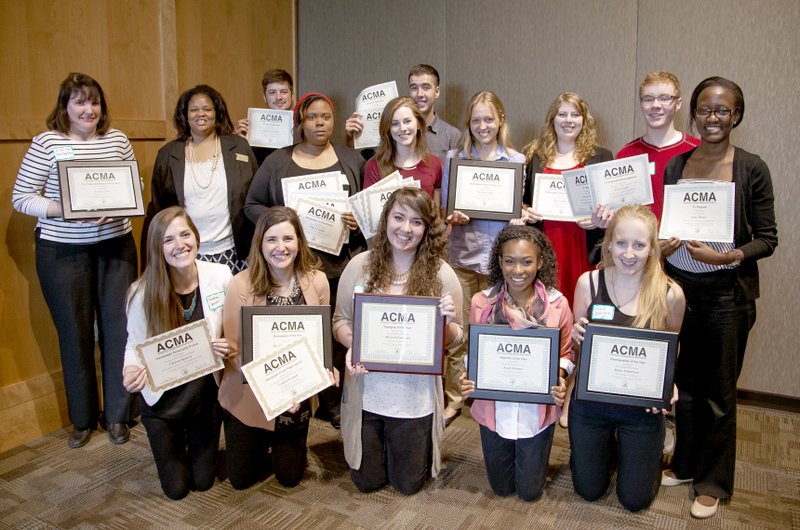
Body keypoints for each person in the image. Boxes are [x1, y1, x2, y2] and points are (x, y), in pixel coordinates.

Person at [659, 77, 777, 519]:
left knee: (719, 392)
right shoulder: (678, 165)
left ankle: (713, 481)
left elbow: (768, 238)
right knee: (684, 387)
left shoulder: (751, 167)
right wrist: (665, 245)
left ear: (737, 116)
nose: (713, 117)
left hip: (728, 295)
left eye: (723, 110)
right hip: (680, 292)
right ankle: (686, 464)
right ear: (693, 114)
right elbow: (671, 219)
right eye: (705, 109)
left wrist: (729, 256)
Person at [12, 72, 138, 448]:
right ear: (64, 107)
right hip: (62, 253)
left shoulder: (117, 140)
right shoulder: (47, 143)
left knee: (119, 331)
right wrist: (62, 208)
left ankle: (119, 415)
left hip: (115, 248)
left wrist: (119, 207)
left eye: (95, 102)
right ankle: (82, 419)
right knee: (75, 333)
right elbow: (22, 197)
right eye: (80, 102)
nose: (89, 110)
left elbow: (135, 187)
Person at [245, 91, 365, 428]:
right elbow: (252, 205)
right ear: (301, 122)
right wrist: (283, 222)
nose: (320, 123)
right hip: (295, 268)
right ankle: (317, 398)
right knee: (308, 334)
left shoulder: (350, 159)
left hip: (341, 264)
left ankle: (341, 400)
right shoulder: (278, 161)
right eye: (312, 117)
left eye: (326, 116)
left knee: (341, 332)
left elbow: (366, 214)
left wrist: (357, 221)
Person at [333, 187, 463, 495]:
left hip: (413, 399)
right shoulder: (359, 266)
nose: (405, 229)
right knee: (368, 482)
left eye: (416, 222)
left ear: (426, 229)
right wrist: (355, 344)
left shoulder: (441, 274)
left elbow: (456, 337)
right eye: (399, 218)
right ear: (385, 220)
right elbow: (340, 321)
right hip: (368, 394)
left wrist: (445, 323)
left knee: (407, 485)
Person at [570, 205, 686, 512]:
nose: (629, 253)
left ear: (652, 248)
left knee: (634, 500)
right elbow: (578, 348)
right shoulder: (588, 283)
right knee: (588, 490)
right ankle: (605, 450)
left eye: (639, 244)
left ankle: (644, 450)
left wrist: (666, 382)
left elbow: (672, 346)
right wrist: (575, 337)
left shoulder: (670, 293)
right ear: (608, 243)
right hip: (592, 404)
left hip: (642, 408)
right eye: (621, 243)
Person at [218, 207, 334, 489]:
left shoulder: (317, 282)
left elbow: (320, 343)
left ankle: (278, 443)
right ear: (260, 243)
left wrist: (321, 375)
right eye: (271, 240)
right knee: (241, 480)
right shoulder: (240, 285)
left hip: (297, 398)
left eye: (288, 239)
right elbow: (234, 351)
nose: (280, 248)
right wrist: (276, 392)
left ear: (299, 242)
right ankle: (254, 438)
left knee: (290, 478)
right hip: (248, 397)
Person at [122, 207, 233, 500]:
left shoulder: (220, 275)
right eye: (168, 240)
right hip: (164, 404)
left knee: (204, 481)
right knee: (176, 490)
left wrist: (229, 345)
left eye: (185, 234)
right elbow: (134, 345)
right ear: (156, 247)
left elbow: (235, 329)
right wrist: (129, 372)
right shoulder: (141, 292)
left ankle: (194, 444)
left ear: (196, 237)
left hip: (204, 397)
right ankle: (172, 443)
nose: (179, 245)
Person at [459, 225, 572, 501]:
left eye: (526, 261)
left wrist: (556, 376)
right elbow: (474, 350)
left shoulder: (558, 305)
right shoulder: (481, 303)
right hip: (494, 408)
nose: (517, 270)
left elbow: (567, 353)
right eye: (509, 261)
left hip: (537, 411)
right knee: (501, 488)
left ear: (540, 262)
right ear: (499, 262)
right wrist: (469, 377)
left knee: (530, 492)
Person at [441, 91, 526, 427]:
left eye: (489, 119)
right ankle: (455, 397)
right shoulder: (454, 158)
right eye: (476, 120)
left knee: (494, 333)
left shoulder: (516, 161)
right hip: (461, 257)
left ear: (500, 120)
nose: (482, 126)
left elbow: (514, 212)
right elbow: (447, 208)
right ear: (469, 124)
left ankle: (491, 393)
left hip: (498, 263)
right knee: (457, 334)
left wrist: (516, 217)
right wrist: (453, 215)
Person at [145, 85, 258, 273]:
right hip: (187, 254)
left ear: (217, 113)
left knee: (235, 302)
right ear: (185, 115)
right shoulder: (168, 154)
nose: (201, 114)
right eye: (194, 109)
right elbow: (160, 207)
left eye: (207, 109)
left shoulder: (238, 146)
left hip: (236, 252)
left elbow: (255, 194)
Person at [523, 93, 614, 308]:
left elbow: (613, 207)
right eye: (562, 114)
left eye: (575, 114)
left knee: (584, 303)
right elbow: (523, 201)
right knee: (548, 306)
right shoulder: (535, 156)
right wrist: (526, 210)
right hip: (547, 240)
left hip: (584, 242)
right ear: (552, 119)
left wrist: (600, 219)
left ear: (584, 120)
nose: (568, 120)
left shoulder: (601, 156)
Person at [617, 71, 700, 221]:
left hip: (684, 243)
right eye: (648, 99)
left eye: (664, 98)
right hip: (641, 243)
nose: (655, 105)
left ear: (678, 104)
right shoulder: (626, 154)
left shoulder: (698, 150)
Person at [345, 64, 461, 161]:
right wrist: (351, 140)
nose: (420, 94)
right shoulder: (392, 130)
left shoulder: (453, 136)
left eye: (426, 87)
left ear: (436, 92)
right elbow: (365, 164)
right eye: (414, 88)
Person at [363, 96, 443, 203]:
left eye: (407, 121)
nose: (403, 128)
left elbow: (437, 214)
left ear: (418, 123)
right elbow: (370, 216)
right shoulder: (374, 166)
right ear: (388, 129)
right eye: (395, 124)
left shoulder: (435, 164)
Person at [235, 68, 295, 165]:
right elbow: (241, 164)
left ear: (292, 96)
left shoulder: (303, 127)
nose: (278, 97)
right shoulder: (250, 129)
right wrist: (238, 141)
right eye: (272, 92)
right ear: (264, 97)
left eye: (284, 92)